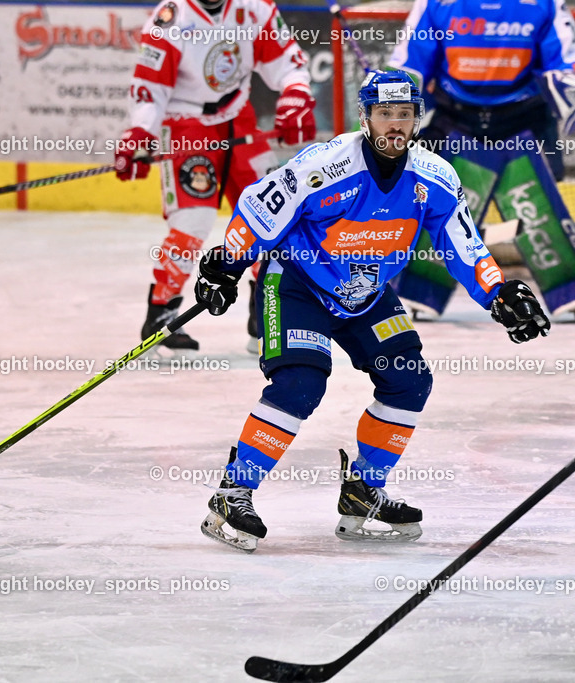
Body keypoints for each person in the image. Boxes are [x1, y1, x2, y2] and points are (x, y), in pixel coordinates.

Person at [193, 70, 551, 552]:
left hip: (367, 293)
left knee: (409, 378)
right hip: (299, 283)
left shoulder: (434, 177)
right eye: (385, 115)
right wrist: (227, 264)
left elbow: (462, 244)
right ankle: (234, 491)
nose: (394, 126)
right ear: (365, 118)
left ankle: (364, 489)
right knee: (301, 383)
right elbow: (262, 206)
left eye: (404, 115)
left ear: (416, 120)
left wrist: (498, 292)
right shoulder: (326, 165)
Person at [114, 0, 316, 350]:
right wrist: (140, 132)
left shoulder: (255, 7)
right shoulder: (172, 16)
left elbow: (287, 59)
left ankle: (265, 313)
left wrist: (295, 96)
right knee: (192, 221)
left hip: (239, 118)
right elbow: (150, 84)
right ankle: (161, 311)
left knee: (273, 215)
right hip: (185, 124)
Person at [384, 0, 575, 321]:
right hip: (456, 115)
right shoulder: (435, 3)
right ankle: (421, 287)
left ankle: (570, 287)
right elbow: (411, 61)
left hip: (524, 115)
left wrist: (570, 81)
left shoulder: (544, 3)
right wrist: (396, 91)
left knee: (533, 208)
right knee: (445, 205)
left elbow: (567, 59)